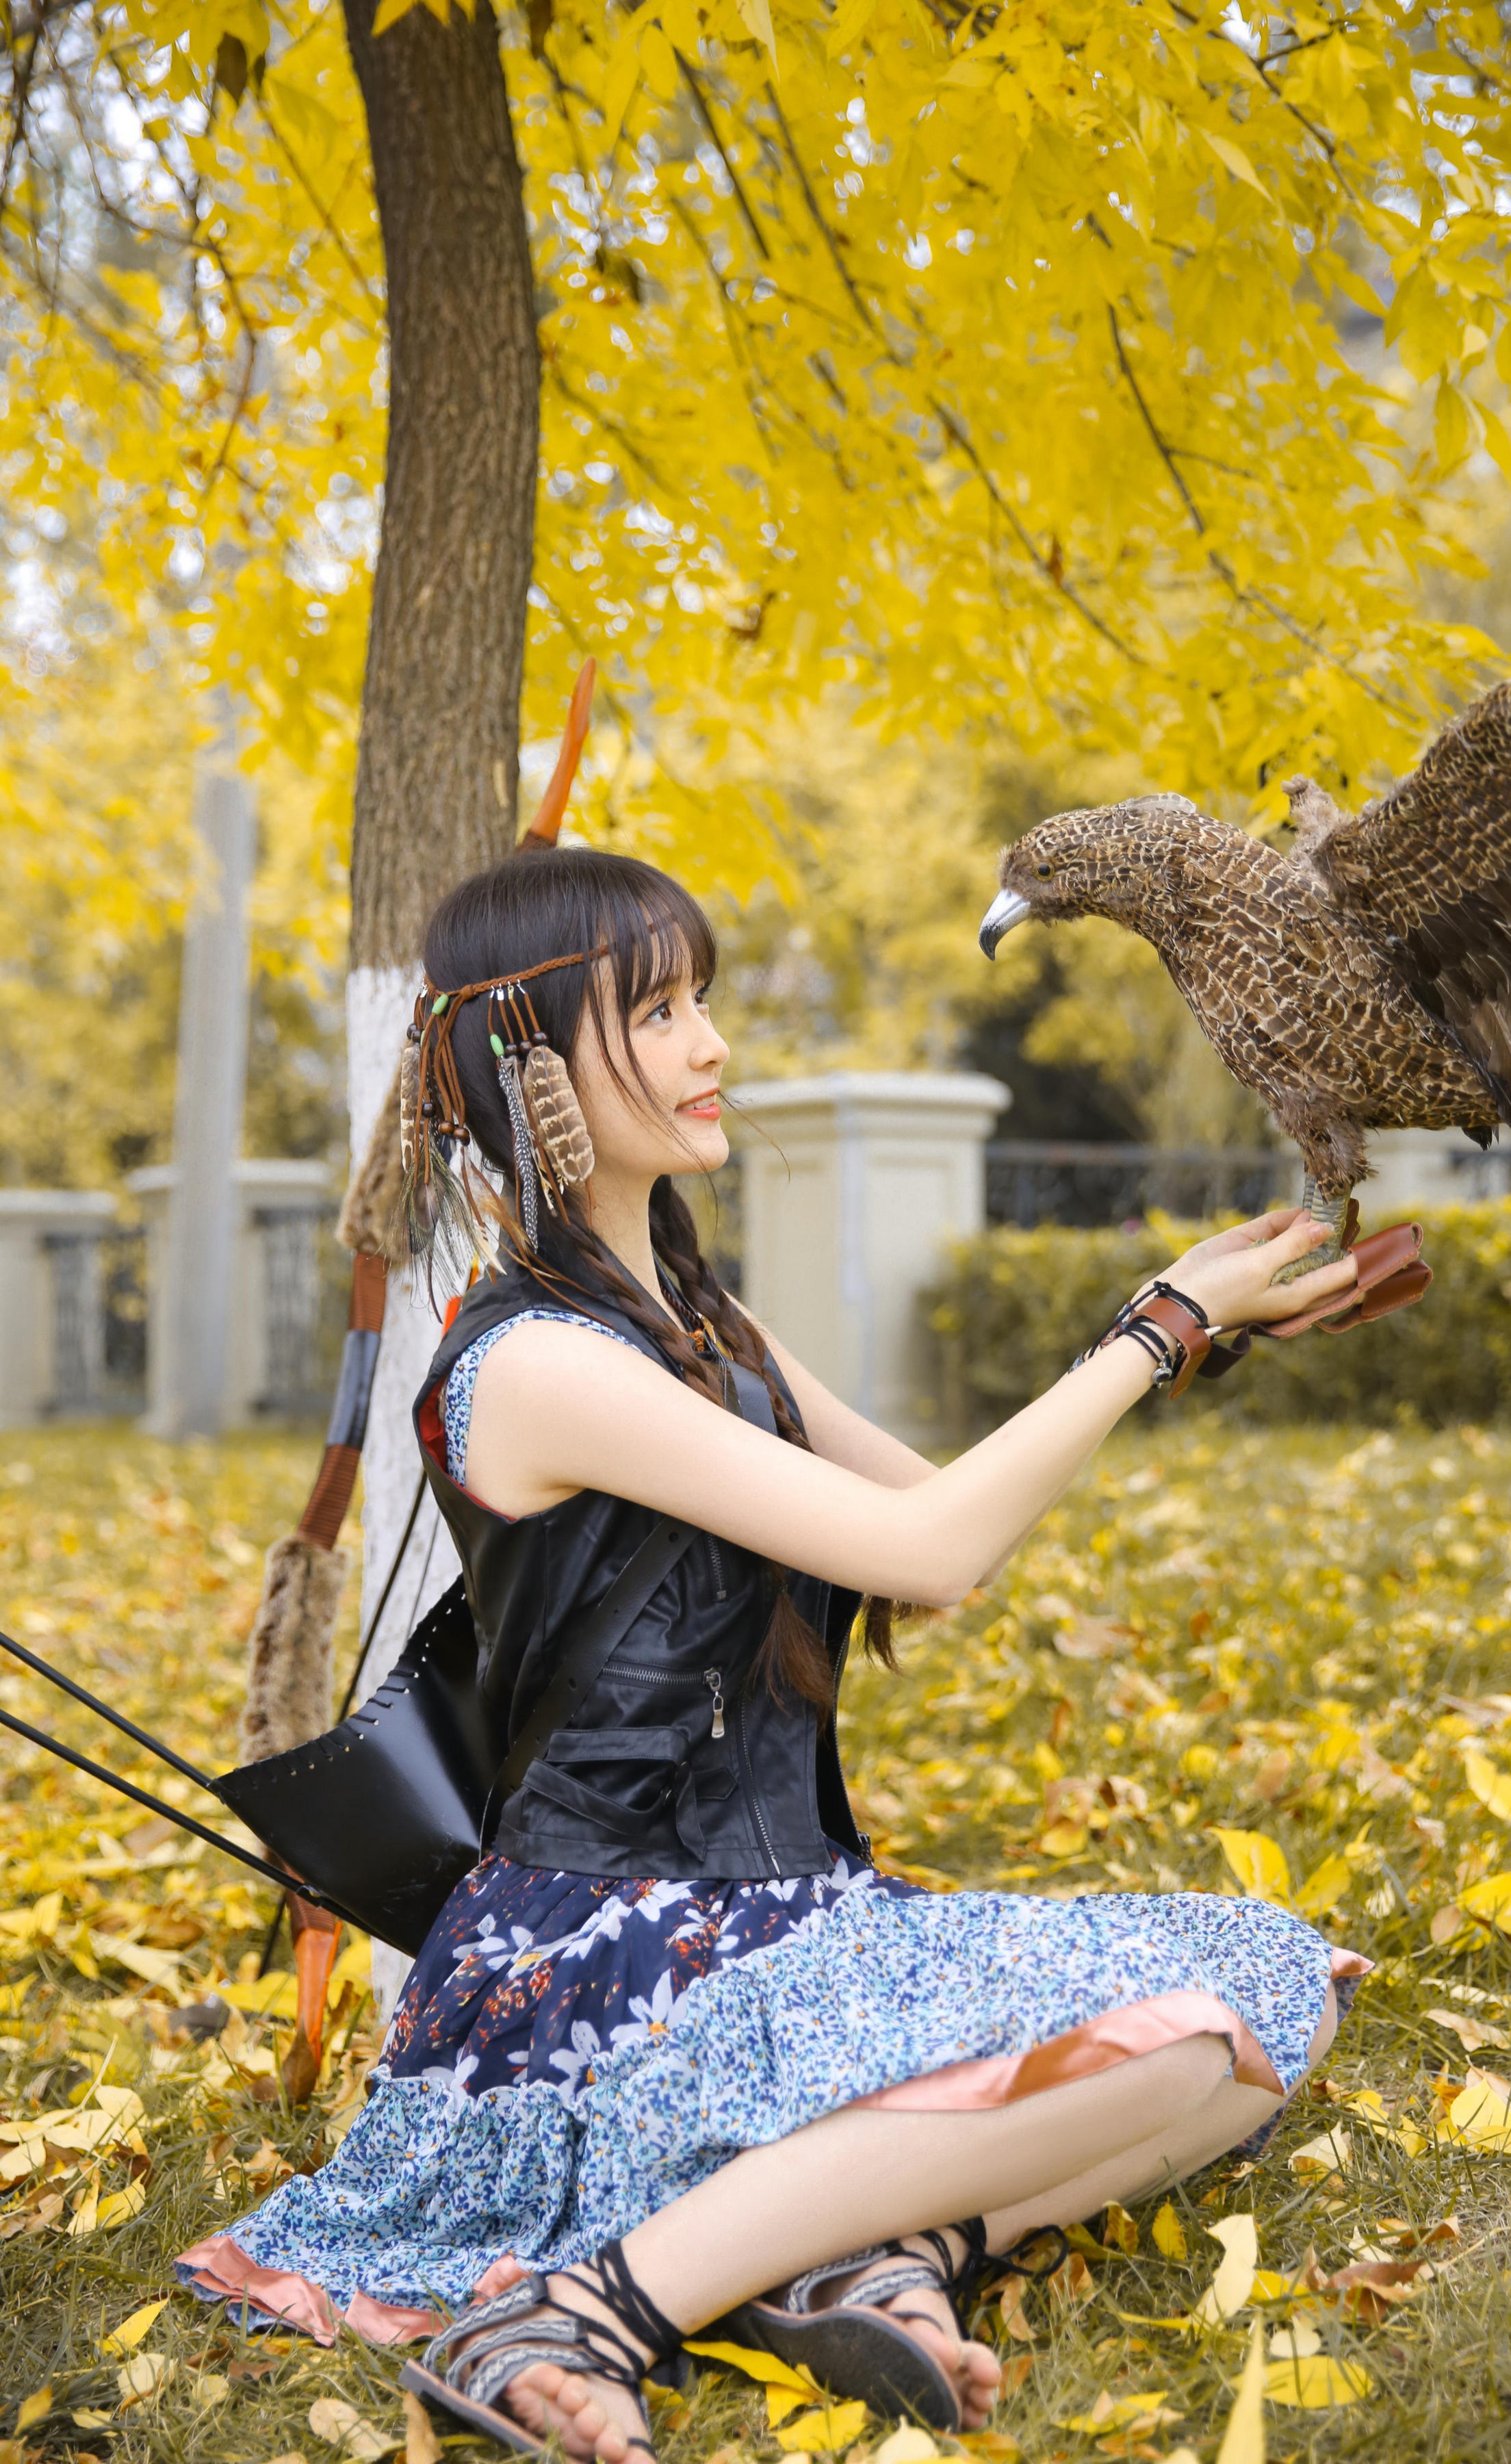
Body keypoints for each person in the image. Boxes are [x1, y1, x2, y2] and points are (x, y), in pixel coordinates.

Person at [179, 843, 1368, 2463]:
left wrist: (1195, 1337)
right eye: (658, 1013)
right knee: (1199, 2031)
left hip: (783, 1914)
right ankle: (585, 2312)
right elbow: (931, 1550)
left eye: (703, 1003)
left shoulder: (701, 1326)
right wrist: (1155, 1328)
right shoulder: (537, 1361)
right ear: (532, 1066)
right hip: (610, 1959)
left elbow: (936, 1532)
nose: (712, 1044)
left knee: (1270, 2004)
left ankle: (884, 2249)